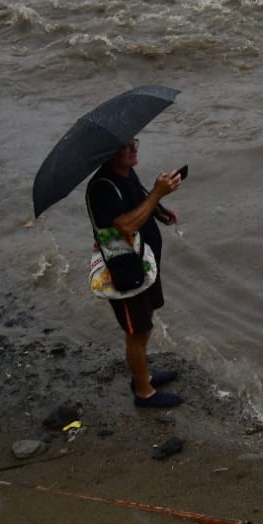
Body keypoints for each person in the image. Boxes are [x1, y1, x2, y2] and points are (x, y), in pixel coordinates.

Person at [85, 137, 184, 408]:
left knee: (145, 323)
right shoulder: (102, 187)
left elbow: (139, 204)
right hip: (125, 271)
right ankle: (144, 392)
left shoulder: (126, 173)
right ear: (107, 152)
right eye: (124, 146)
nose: (133, 148)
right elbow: (125, 226)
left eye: (134, 142)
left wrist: (161, 212)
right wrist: (157, 194)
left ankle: (144, 376)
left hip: (144, 264)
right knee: (137, 331)